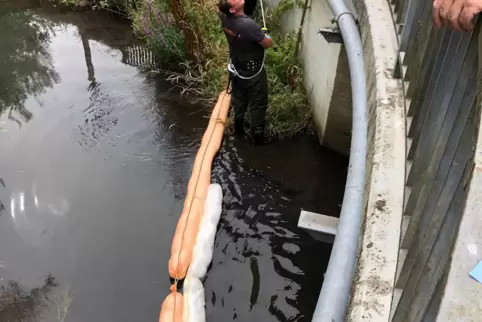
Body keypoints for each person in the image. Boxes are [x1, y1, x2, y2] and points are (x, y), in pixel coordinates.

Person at [217, 0, 273, 145]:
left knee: (239, 101)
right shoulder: (248, 25)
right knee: (258, 104)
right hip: (254, 73)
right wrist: (266, 36)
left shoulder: (224, 17)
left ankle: (239, 131)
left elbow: (220, 8)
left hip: (237, 69)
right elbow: (267, 44)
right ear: (233, 10)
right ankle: (258, 138)